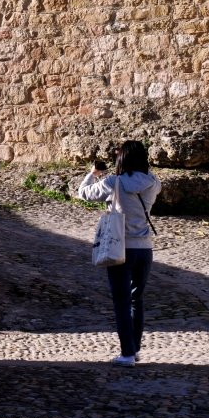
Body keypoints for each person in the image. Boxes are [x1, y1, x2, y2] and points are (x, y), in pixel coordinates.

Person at [78, 140, 162, 367]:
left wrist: (92, 173)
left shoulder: (114, 182)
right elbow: (144, 176)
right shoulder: (154, 183)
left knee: (122, 303)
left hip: (120, 248)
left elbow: (84, 193)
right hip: (145, 249)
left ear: (122, 159)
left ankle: (127, 354)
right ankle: (134, 349)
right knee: (137, 300)